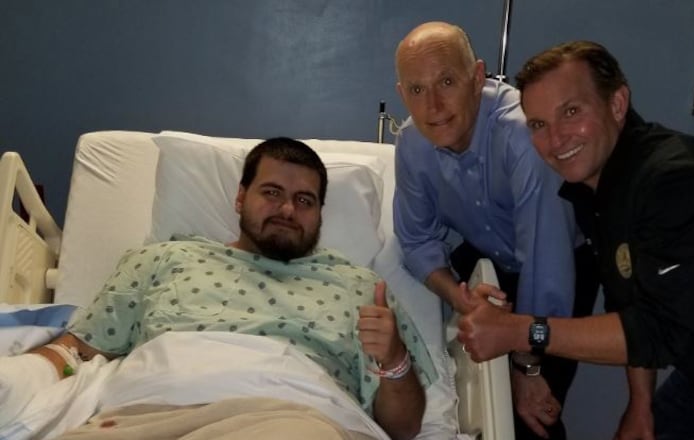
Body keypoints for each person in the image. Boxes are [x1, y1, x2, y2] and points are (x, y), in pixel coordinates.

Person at [457, 40, 694, 439]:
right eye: (539, 124)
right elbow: (631, 301)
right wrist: (640, 404)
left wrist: (519, 331)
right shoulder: (596, 189)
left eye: (572, 112)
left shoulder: (677, 181)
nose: (556, 139)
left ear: (617, 104)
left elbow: (654, 330)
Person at [17, 137, 436, 440]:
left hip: (288, 419)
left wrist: (395, 359)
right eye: (272, 193)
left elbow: (403, 428)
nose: (288, 209)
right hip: (139, 415)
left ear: (319, 213)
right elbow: (77, 351)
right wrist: (24, 374)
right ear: (240, 197)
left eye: (304, 200)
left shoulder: (359, 288)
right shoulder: (164, 259)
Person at [393, 21, 599, 439]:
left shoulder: (522, 136)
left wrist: (527, 366)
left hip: (561, 261)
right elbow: (415, 240)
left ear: (478, 77)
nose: (433, 105)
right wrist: (460, 296)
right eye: (416, 90)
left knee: (531, 413)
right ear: (402, 95)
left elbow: (547, 266)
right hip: (488, 254)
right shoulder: (413, 144)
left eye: (447, 81)